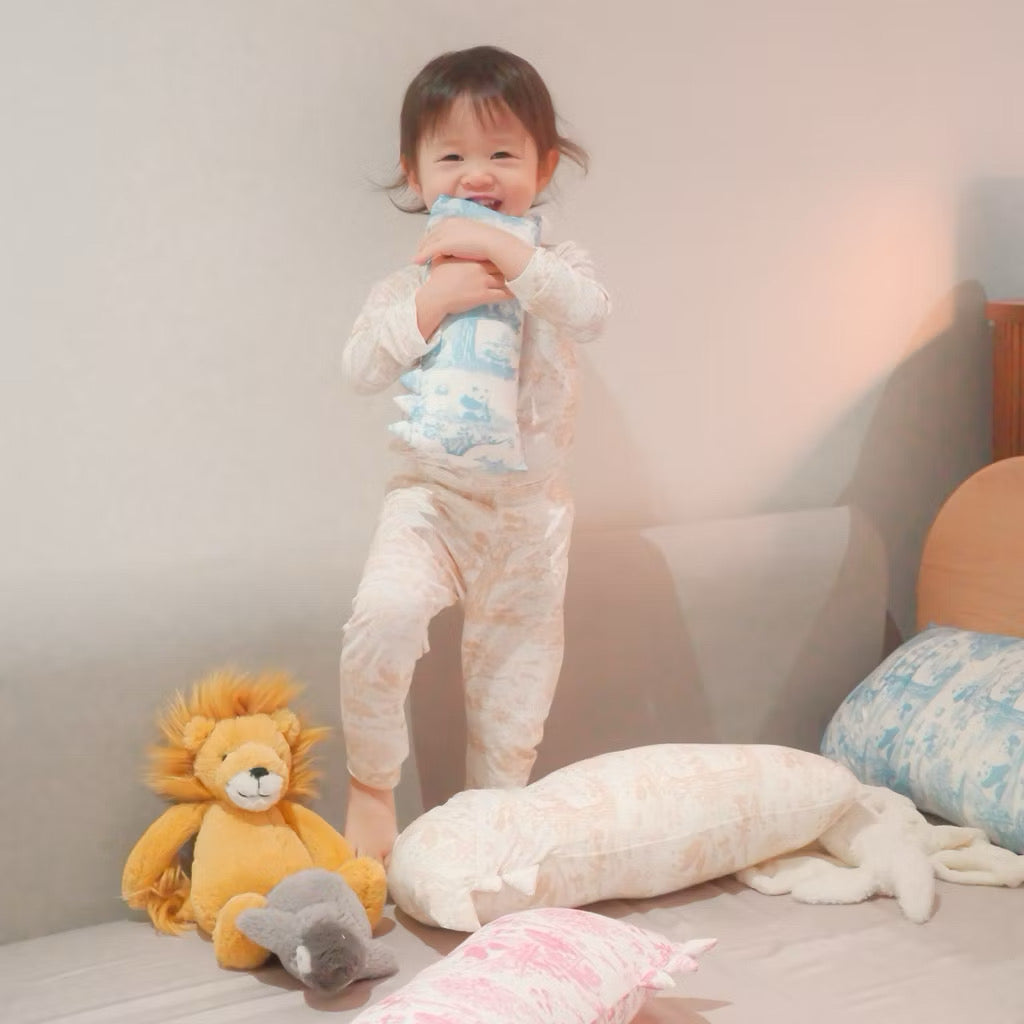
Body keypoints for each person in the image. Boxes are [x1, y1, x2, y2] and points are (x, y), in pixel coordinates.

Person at [339, 44, 611, 861]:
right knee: (382, 618)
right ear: (415, 175)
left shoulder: (555, 270)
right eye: (451, 155)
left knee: (512, 708)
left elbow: (591, 313)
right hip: (433, 501)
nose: (477, 174)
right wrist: (432, 302)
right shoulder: (407, 282)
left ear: (544, 164)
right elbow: (359, 366)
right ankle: (370, 788)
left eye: (502, 154)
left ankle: (485, 846)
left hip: (529, 522)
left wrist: (511, 257)